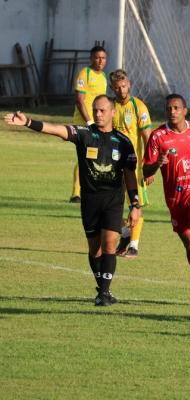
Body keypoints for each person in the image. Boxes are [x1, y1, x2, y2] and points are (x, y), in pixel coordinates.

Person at [3, 95, 140, 306]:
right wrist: (29, 122)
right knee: (95, 250)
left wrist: (135, 204)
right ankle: (103, 289)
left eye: (102, 110)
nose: (98, 114)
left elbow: (130, 175)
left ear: (113, 112)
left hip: (113, 200)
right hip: (90, 201)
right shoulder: (85, 134)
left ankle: (103, 294)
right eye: (95, 110)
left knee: (109, 245)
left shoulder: (123, 142)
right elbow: (57, 129)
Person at [143, 94, 190, 305]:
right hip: (176, 199)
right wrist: (157, 163)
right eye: (169, 108)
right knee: (189, 245)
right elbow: (145, 170)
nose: (172, 111)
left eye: (176, 107)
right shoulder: (158, 137)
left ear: (185, 110)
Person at [109, 69, 154, 258]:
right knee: (110, 206)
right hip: (112, 164)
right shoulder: (110, 106)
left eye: (124, 86)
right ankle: (126, 235)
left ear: (129, 85)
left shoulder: (138, 106)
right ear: (113, 88)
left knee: (136, 205)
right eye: (117, 87)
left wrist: (149, 166)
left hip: (132, 166)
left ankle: (134, 245)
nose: (121, 90)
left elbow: (148, 137)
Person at [70, 45, 108, 203]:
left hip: (98, 122)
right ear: (91, 58)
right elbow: (80, 101)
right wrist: (89, 121)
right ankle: (76, 194)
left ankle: (89, 190)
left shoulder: (103, 77)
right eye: (97, 57)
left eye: (103, 58)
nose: (100, 61)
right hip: (84, 123)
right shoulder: (84, 74)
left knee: (95, 157)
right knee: (86, 157)